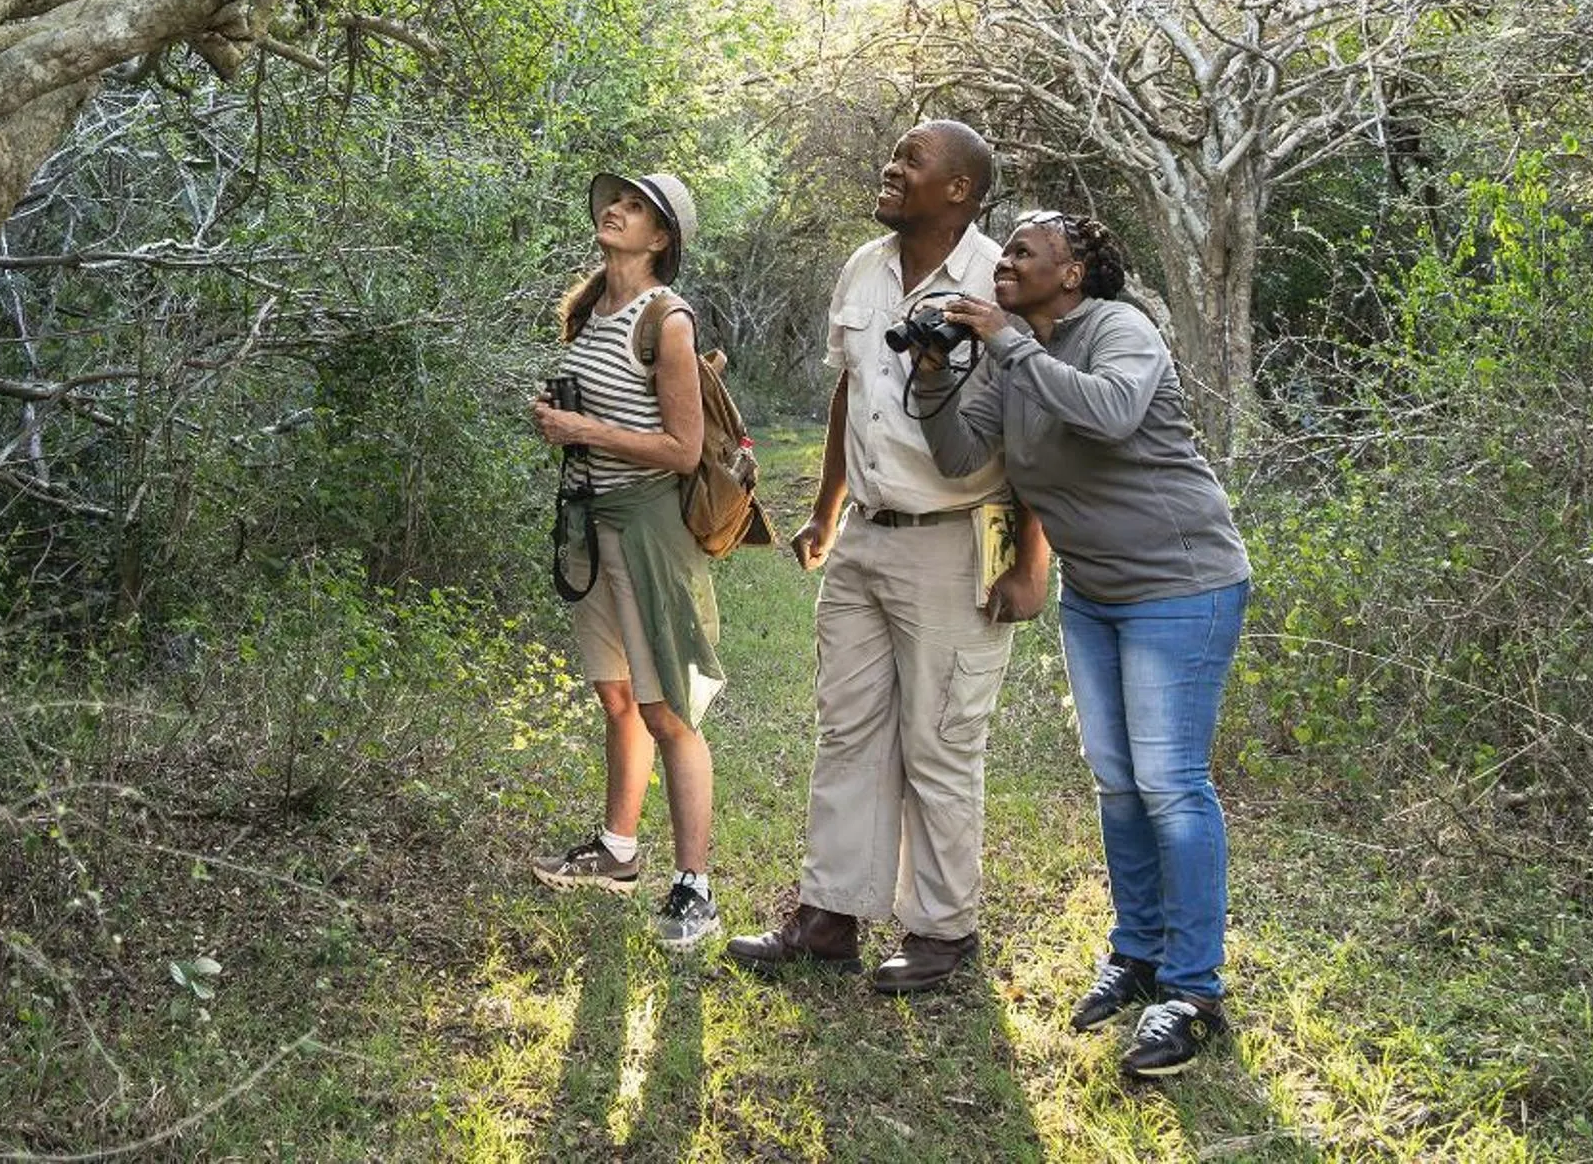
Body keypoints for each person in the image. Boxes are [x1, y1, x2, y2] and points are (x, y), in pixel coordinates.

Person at [911, 209, 1252, 1078]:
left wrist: (1011, 346)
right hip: (1094, 593)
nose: (1002, 265)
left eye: (1021, 252)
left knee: (1171, 785)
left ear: (1071, 273)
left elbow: (1109, 413)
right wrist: (930, 370)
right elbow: (957, 453)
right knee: (1116, 785)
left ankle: (1193, 991)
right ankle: (1136, 957)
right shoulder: (1006, 348)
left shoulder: (1118, 328)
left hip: (1181, 583)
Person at [725, 120, 1048, 994]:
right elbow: (849, 392)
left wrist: (1030, 560)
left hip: (958, 536)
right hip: (866, 534)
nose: (890, 167)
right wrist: (826, 510)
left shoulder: (1002, 279)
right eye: (894, 154)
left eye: (912, 160)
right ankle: (830, 915)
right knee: (847, 727)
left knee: (940, 737)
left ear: (959, 189)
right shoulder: (864, 266)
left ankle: (942, 931)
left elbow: (1036, 432)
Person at [526, 170, 727, 949]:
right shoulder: (590, 312)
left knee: (666, 710)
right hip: (591, 519)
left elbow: (682, 451)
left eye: (636, 207)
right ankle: (616, 850)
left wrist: (582, 433)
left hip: (648, 526)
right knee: (616, 699)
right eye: (614, 201)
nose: (614, 210)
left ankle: (693, 889)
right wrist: (562, 421)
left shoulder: (665, 318)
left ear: (662, 239)